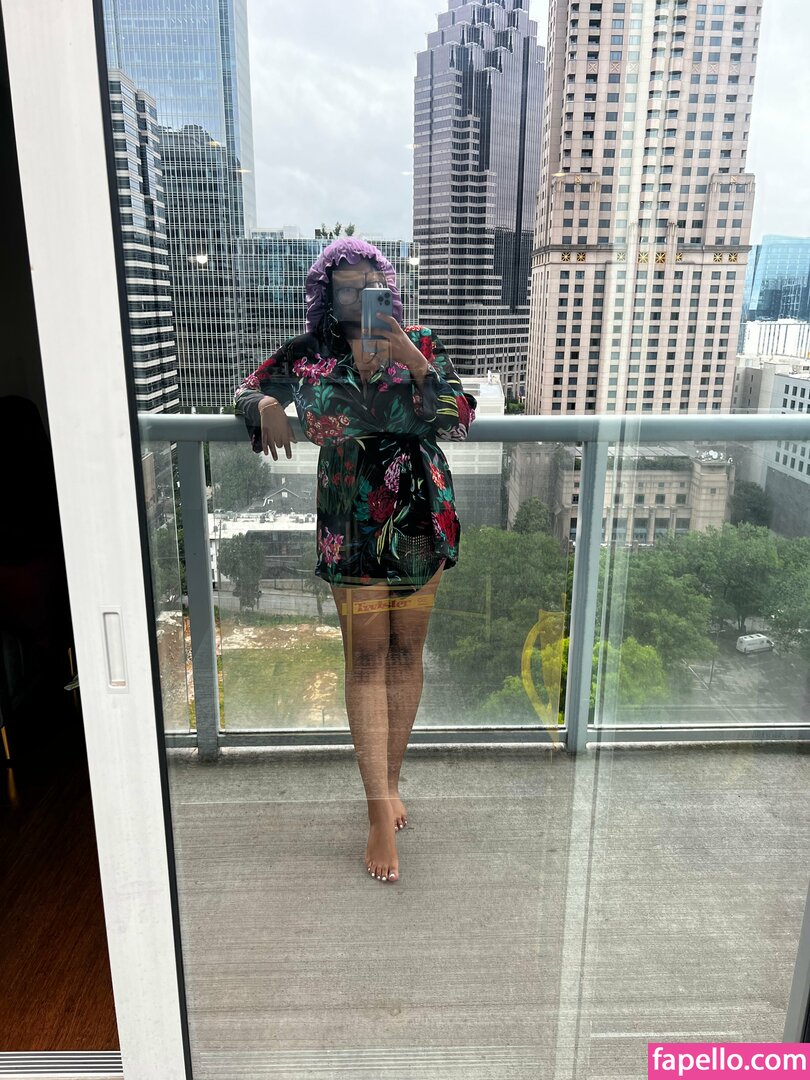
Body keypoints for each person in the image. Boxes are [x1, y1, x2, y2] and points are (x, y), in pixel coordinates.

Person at [234, 237, 476, 885]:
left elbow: (458, 418)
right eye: (346, 287)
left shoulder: (418, 341)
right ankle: (376, 811)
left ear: (387, 287)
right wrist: (264, 405)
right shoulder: (306, 354)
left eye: (371, 285)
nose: (359, 297)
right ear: (326, 293)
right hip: (350, 521)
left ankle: (390, 783)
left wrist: (412, 360)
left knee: (405, 655)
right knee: (366, 659)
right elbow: (245, 391)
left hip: (419, 517)